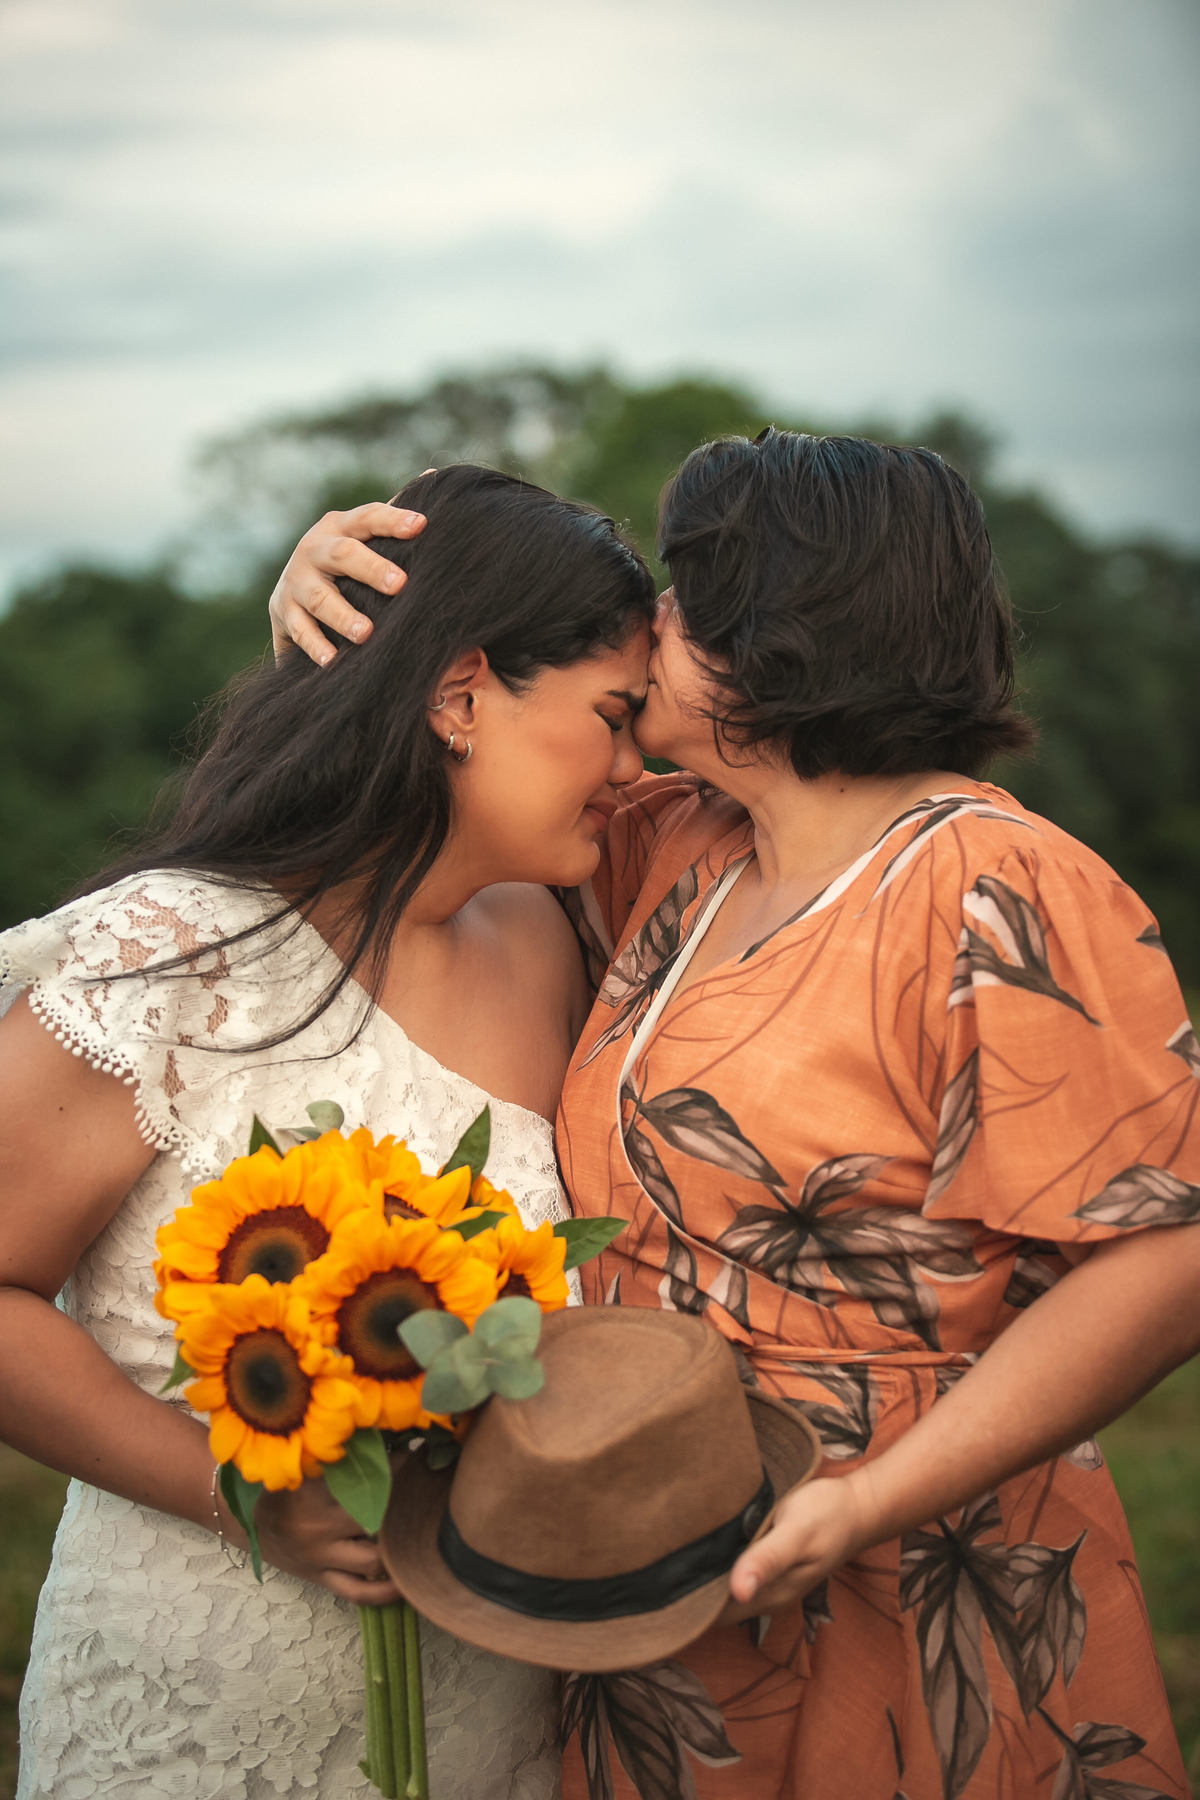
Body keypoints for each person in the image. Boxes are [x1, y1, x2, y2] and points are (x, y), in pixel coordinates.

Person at [274, 431, 1200, 1800]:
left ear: (782, 628)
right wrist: (338, 617)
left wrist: (871, 1502)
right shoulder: (678, 845)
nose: (647, 625)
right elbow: (448, 762)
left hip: (904, 1557)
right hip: (650, 1535)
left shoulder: (1000, 888)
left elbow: (1161, 1264)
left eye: (684, 593)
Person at [0, 464, 656, 1800]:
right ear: (461, 696)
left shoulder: (551, 941)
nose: (638, 766)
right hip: (195, 1700)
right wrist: (242, 1493)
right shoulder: (171, 954)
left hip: (491, 1708)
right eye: (613, 716)